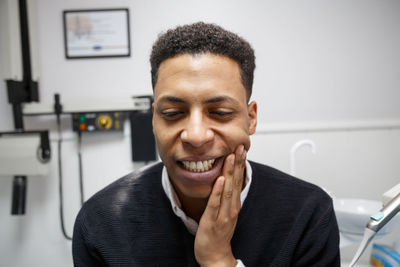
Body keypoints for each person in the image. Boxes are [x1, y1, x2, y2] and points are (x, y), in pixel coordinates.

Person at [72, 22, 340, 267]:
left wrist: (219, 260)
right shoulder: (101, 223)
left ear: (251, 119)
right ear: (154, 120)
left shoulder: (308, 216)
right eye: (172, 114)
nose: (196, 136)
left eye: (221, 112)